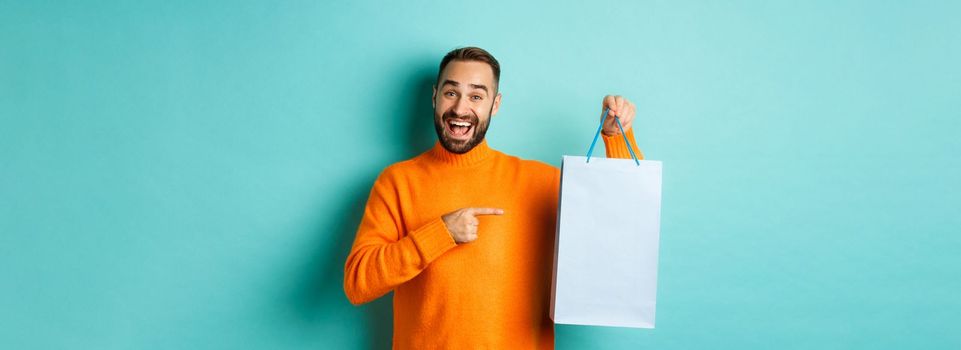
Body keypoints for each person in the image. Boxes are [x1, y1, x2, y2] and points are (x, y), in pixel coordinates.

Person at [343, 46, 643, 349]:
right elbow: (358, 283)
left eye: (476, 96)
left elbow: (620, 220)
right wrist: (440, 233)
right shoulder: (398, 182)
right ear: (434, 97)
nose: (460, 109)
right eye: (451, 93)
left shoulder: (542, 182)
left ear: (495, 104)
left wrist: (617, 136)